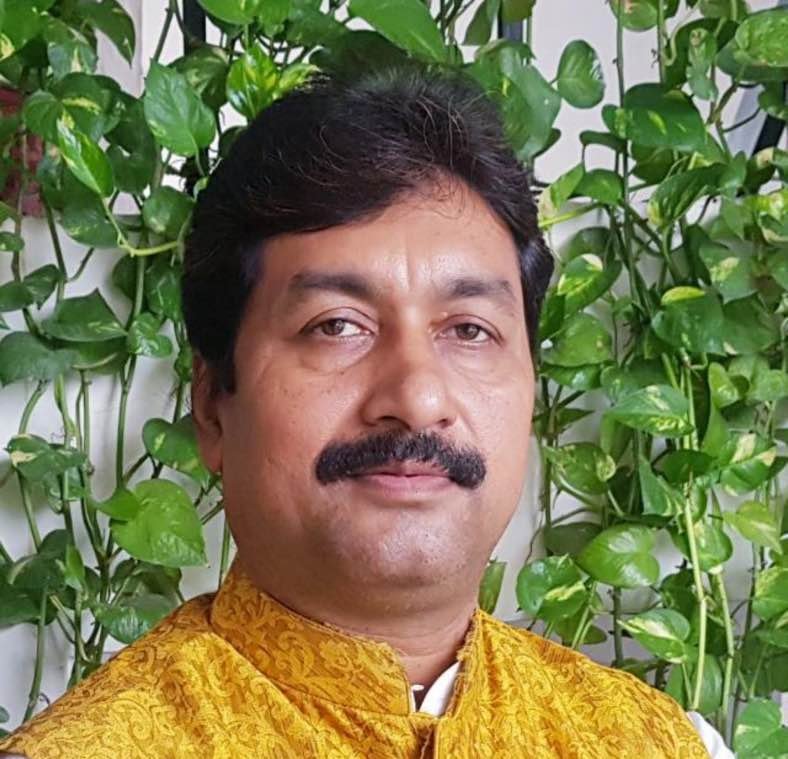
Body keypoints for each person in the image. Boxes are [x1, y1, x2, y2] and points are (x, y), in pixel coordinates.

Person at [0, 63, 733, 758]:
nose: (417, 398)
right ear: (213, 406)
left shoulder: (663, 742)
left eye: (470, 330)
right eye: (336, 326)